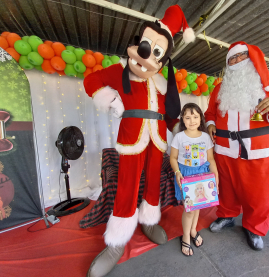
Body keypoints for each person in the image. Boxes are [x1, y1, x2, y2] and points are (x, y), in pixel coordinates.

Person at [83, 5, 195, 277]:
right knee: (127, 186)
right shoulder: (122, 69)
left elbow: (170, 115)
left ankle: (148, 220)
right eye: (146, 44)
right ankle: (116, 242)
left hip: (157, 142)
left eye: (157, 50)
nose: (148, 54)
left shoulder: (163, 81)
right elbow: (91, 82)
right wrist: (113, 101)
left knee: (153, 184)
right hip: (131, 140)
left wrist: (183, 131)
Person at [205, 41, 269, 251]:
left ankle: (255, 227)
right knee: (226, 189)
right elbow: (210, 112)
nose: (236, 61)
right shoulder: (220, 88)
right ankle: (226, 216)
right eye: (232, 59)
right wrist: (210, 124)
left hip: (259, 151)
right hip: (224, 149)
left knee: (259, 193)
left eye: (241, 56)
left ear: (251, 58)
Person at [170, 103, 219, 256]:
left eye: (195, 117)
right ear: (182, 120)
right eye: (188, 117)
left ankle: (192, 230)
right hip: (186, 175)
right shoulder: (179, 137)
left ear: (201, 119)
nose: (192, 121)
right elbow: (173, 157)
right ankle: (185, 237)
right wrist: (177, 172)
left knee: (197, 205)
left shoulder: (205, 137)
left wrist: (215, 176)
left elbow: (210, 158)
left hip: (202, 175)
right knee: (189, 209)